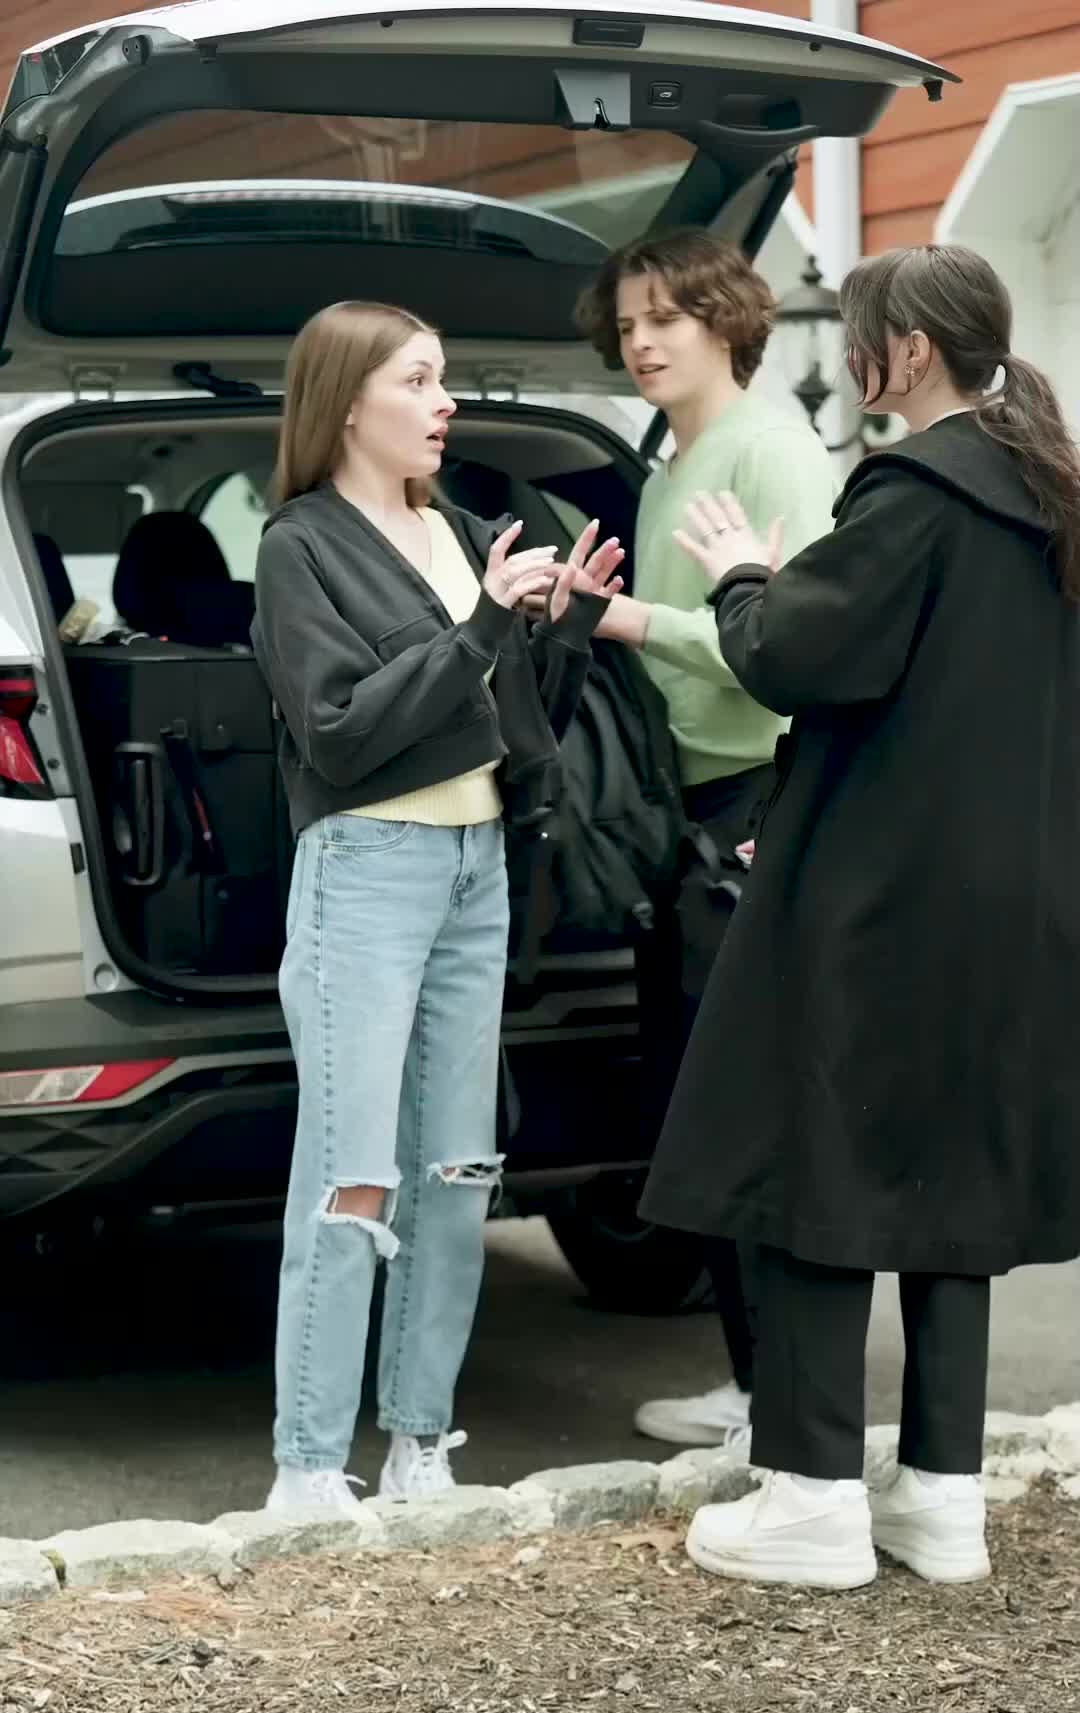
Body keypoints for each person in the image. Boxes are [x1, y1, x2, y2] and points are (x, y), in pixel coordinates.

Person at [640, 243, 1080, 1589]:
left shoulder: (914, 493)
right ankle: (941, 1495)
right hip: (1018, 898)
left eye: (860, 337)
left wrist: (742, 574)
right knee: (954, 1179)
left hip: (877, 897)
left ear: (913, 352)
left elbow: (792, 657)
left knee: (808, 1162)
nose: (847, 360)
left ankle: (814, 1499)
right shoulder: (1047, 494)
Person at [252, 300, 620, 1515]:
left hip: (476, 865)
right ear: (347, 402)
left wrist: (561, 622)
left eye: (444, 377)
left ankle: (420, 1447)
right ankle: (311, 1467)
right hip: (367, 865)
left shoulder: (459, 529)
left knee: (457, 1171)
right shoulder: (300, 546)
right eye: (417, 380)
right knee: (353, 1173)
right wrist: (480, 624)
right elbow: (342, 733)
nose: (444, 400)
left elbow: (512, 721)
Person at [574, 228, 836, 1446]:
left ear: (728, 317)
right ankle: (753, 1386)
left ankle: (781, 1404)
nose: (641, 341)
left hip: (759, 809)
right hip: (677, 815)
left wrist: (628, 620)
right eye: (628, 323)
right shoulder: (667, 463)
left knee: (750, 1108)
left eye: (665, 317)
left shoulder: (771, 451)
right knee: (701, 1102)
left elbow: (794, 650)